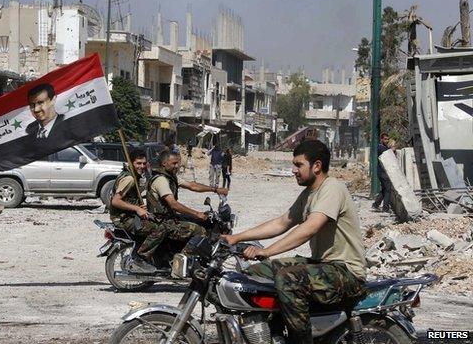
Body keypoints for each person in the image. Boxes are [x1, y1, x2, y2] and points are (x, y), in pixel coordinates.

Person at [222, 140, 366, 344]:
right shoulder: (309, 194)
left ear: (316, 166)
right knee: (256, 272)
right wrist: (236, 237)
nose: (293, 170)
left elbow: (310, 228)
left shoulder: (332, 188)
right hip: (324, 266)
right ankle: (272, 332)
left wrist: (268, 251)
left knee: (288, 279)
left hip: (347, 272)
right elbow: (282, 222)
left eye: (298, 165)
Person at [147, 150, 229, 255]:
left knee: (201, 221)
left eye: (178, 163)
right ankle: (182, 261)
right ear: (164, 163)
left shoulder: (171, 177)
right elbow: (173, 204)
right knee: (199, 231)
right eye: (174, 163)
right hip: (162, 221)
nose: (177, 166)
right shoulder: (161, 180)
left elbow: (192, 185)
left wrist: (215, 189)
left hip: (168, 217)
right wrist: (197, 213)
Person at [109, 148, 159, 272]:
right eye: (138, 163)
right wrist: (137, 208)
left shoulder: (135, 177)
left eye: (143, 163)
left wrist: (137, 206)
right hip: (122, 218)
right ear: (131, 163)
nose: (141, 166)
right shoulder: (129, 179)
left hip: (128, 215)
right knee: (159, 229)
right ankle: (139, 258)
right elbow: (115, 201)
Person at [372, 133, 392, 212]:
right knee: (387, 189)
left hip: (382, 172)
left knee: (384, 189)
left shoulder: (384, 147)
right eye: (385, 139)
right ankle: (385, 208)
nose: (387, 141)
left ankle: (376, 204)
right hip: (383, 172)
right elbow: (388, 153)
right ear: (381, 139)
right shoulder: (381, 148)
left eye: (387, 139)